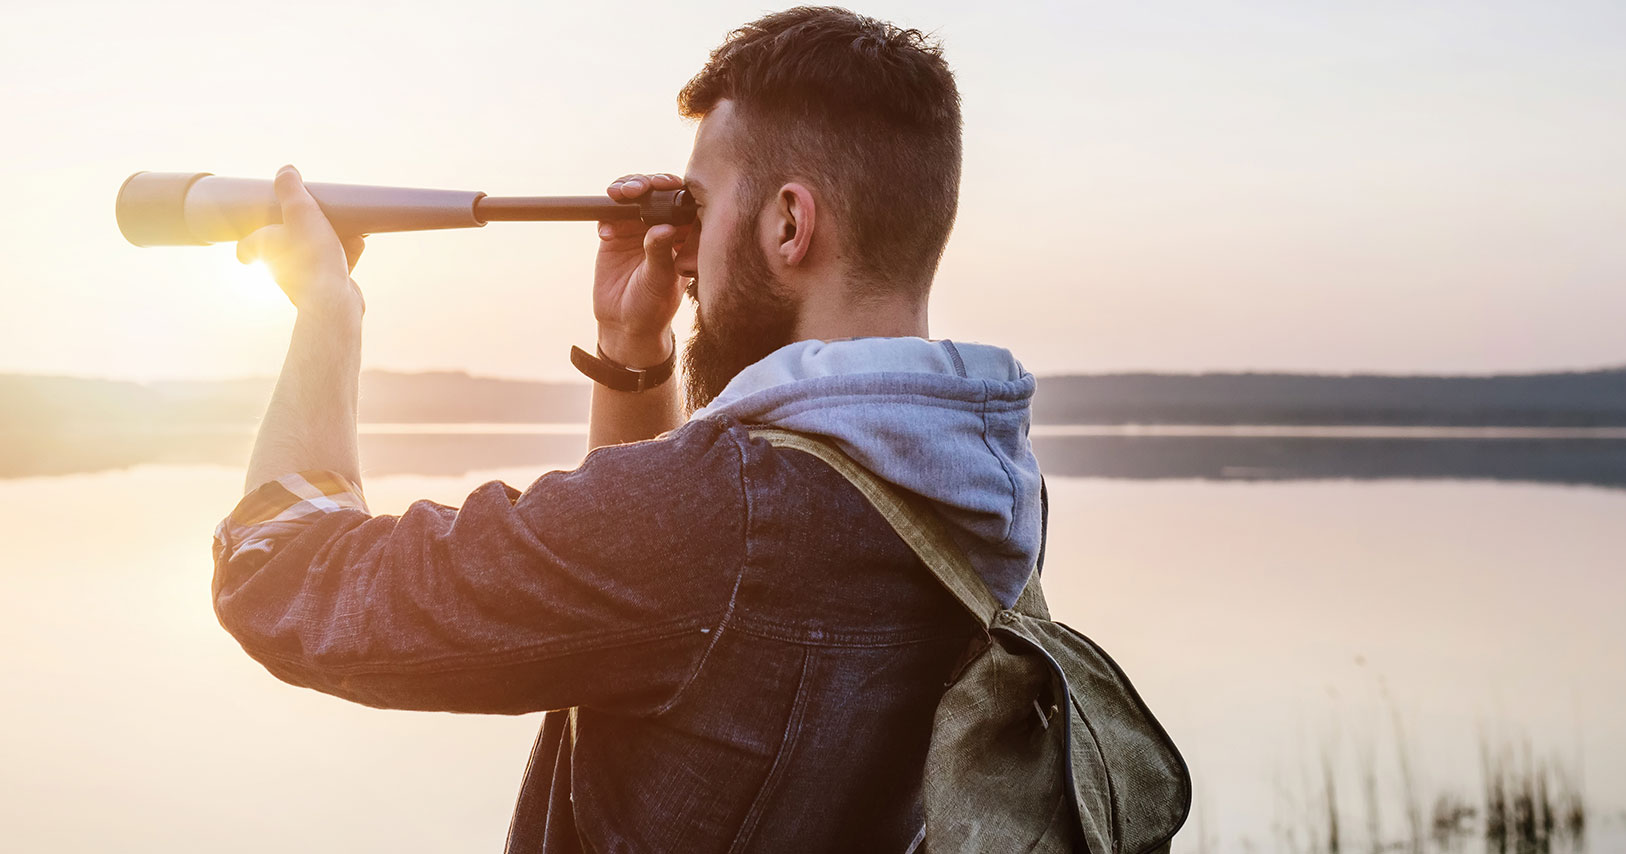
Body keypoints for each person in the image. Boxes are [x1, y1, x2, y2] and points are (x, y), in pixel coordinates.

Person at [212, 7, 1044, 851]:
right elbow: (662, 618)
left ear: (789, 225)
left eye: (702, 203)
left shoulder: (726, 520)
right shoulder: (983, 487)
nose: (684, 245)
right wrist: (634, 353)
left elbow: (279, 576)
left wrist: (328, 310)